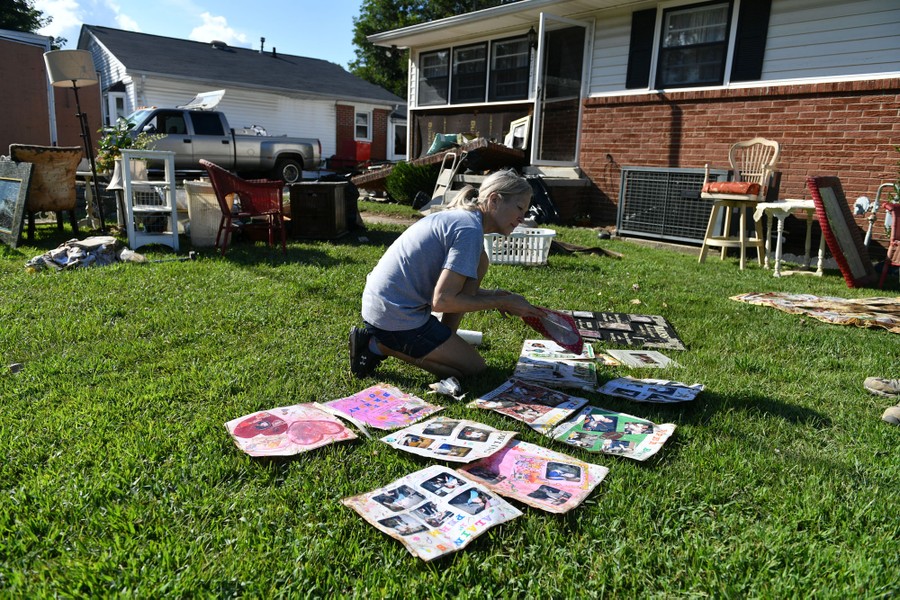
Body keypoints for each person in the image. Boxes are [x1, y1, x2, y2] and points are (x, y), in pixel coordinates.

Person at [350, 168, 545, 379]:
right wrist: (502, 303)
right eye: (519, 208)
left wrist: (497, 296)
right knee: (473, 369)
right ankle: (377, 344)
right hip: (392, 315)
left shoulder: (468, 222)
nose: (521, 219)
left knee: (481, 260)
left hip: (387, 306)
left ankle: (442, 339)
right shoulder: (469, 230)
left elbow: (456, 290)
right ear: (495, 200)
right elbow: (443, 301)